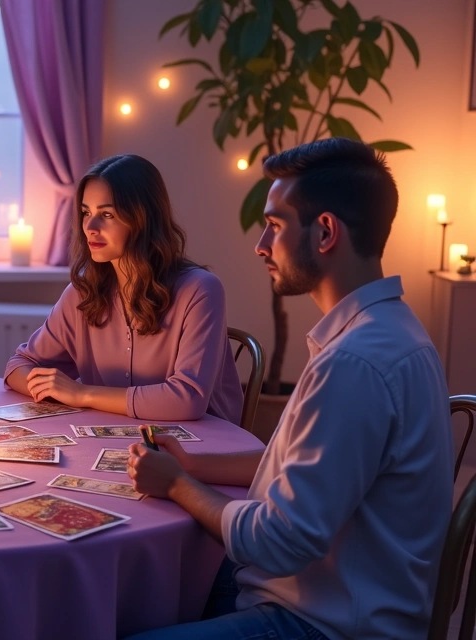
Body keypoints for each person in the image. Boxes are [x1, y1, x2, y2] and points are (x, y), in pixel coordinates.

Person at [128, 138, 453, 639]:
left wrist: (175, 484)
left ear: (325, 232)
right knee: (142, 593)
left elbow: (279, 542)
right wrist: (191, 464)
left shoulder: (356, 363)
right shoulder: (388, 332)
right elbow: (302, 468)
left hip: (323, 621)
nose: (260, 244)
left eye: (275, 225)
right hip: (328, 597)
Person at [4, 154, 242, 423]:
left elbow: (187, 400)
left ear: (143, 219)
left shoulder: (200, 290)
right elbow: (18, 366)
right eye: (86, 213)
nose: (90, 228)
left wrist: (82, 394)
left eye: (107, 214)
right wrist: (49, 387)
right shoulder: (83, 292)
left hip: (197, 450)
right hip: (110, 442)